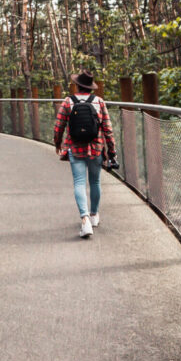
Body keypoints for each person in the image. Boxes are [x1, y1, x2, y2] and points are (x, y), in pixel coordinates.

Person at [53, 70, 118, 239]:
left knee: (79, 182)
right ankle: (94, 215)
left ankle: (85, 219)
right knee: (95, 181)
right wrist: (111, 152)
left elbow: (59, 125)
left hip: (75, 148)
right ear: (90, 87)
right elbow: (108, 130)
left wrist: (58, 143)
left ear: (78, 85)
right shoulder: (99, 102)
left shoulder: (68, 101)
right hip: (96, 148)